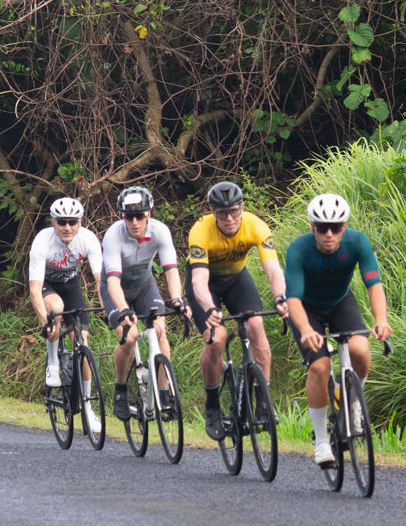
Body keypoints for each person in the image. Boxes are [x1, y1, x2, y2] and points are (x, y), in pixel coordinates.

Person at [284, 193, 393, 467]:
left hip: (340, 302)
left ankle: (353, 402)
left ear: (344, 227)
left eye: (336, 228)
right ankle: (321, 441)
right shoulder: (299, 250)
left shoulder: (358, 242)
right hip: (307, 309)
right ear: (312, 227)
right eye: (322, 228)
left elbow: (374, 284)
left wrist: (381, 319)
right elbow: (293, 298)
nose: (329, 234)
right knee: (320, 368)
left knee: (360, 349)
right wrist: (306, 330)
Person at [188, 181, 289, 440]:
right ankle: (212, 405)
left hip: (236, 279)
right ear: (212, 212)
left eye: (234, 211)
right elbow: (199, 281)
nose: (229, 218)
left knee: (256, 326)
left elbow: (273, 269)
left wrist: (280, 296)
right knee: (216, 339)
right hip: (207, 284)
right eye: (222, 213)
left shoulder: (256, 226)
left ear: (242, 207)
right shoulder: (201, 231)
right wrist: (209, 308)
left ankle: (263, 402)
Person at [100, 186, 189, 421]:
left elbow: (171, 271)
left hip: (144, 284)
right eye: (129, 216)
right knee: (129, 337)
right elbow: (112, 281)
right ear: (122, 216)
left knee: (159, 331)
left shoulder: (160, 231)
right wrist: (124, 310)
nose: (135, 221)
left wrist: (178, 299)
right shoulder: (113, 235)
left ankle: (164, 393)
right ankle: (120, 390)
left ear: (148, 213)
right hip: (115, 288)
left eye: (140, 215)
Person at [27, 197, 102, 389]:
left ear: (80, 223)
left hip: (70, 285)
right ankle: (53, 362)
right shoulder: (42, 241)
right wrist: (45, 323)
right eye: (61, 222)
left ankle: (86, 403)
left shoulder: (88, 240)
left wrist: (109, 309)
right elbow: (34, 288)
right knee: (56, 308)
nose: (67, 227)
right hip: (47, 285)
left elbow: (101, 280)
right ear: (53, 222)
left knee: (82, 345)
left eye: (72, 222)